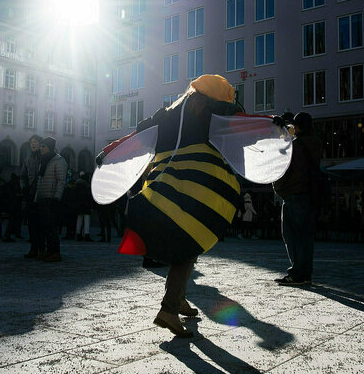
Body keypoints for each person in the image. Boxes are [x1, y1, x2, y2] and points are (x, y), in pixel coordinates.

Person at [94, 74, 281, 337]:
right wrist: (274, 123)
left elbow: (138, 136)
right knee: (190, 240)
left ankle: (178, 299)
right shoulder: (217, 109)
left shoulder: (168, 112)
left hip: (166, 182)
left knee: (187, 241)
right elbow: (243, 125)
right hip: (200, 183)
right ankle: (169, 309)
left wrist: (109, 151)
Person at [272, 111, 322, 285]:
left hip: (295, 195)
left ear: (298, 126)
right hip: (310, 196)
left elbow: (284, 161)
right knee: (305, 237)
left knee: (292, 236)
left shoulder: (298, 146)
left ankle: (297, 274)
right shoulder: (314, 143)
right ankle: (305, 273)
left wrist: (278, 188)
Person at [35, 137, 68, 262]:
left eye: (43, 146)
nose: (41, 148)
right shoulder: (43, 161)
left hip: (52, 198)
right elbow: (40, 180)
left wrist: (57, 197)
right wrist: (36, 197)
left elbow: (61, 181)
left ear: (49, 147)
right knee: (44, 226)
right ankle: (49, 251)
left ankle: (55, 252)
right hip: (43, 197)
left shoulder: (59, 160)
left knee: (51, 226)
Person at [20, 135, 42, 258]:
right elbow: (22, 175)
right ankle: (34, 248)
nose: (33, 144)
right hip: (30, 193)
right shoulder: (28, 159)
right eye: (31, 142)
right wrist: (24, 187)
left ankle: (41, 248)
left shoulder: (44, 158)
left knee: (41, 223)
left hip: (41, 193)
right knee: (32, 223)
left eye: (35, 142)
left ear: (40, 144)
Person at [73, 171, 94, 242]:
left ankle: (78, 234)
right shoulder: (87, 186)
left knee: (79, 219)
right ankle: (86, 234)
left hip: (79, 205)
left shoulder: (76, 186)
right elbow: (89, 197)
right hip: (86, 205)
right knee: (86, 220)